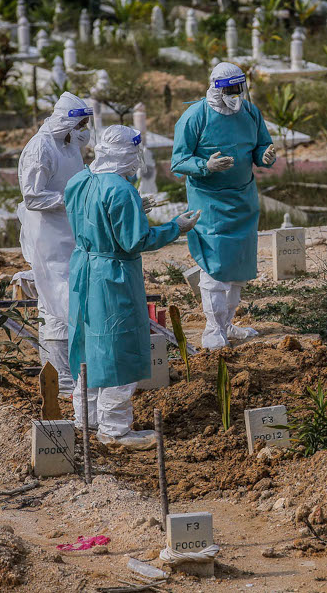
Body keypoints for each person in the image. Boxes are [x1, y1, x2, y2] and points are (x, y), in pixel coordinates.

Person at [67, 125, 200, 449]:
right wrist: (174, 227)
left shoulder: (80, 180)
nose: (137, 160)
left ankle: (86, 418)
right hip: (113, 276)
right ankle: (114, 429)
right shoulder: (121, 190)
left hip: (84, 269)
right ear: (126, 152)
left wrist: (134, 210)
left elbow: (92, 217)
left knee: (89, 345)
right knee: (118, 348)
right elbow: (135, 240)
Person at [171, 62, 275, 350]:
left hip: (243, 199)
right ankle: (212, 328)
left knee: (238, 268)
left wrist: (265, 155)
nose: (234, 94)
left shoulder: (250, 112)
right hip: (211, 202)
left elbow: (261, 145)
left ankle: (228, 323)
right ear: (215, 88)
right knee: (215, 268)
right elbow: (178, 162)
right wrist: (206, 165)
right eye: (228, 89)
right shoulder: (195, 117)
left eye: (238, 88)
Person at [16, 92, 92, 397]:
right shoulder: (40, 149)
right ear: (66, 122)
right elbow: (33, 196)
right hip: (49, 235)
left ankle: (71, 376)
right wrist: (69, 200)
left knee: (69, 300)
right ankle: (60, 381)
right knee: (58, 303)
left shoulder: (68, 143)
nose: (85, 130)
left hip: (69, 230)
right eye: (81, 123)